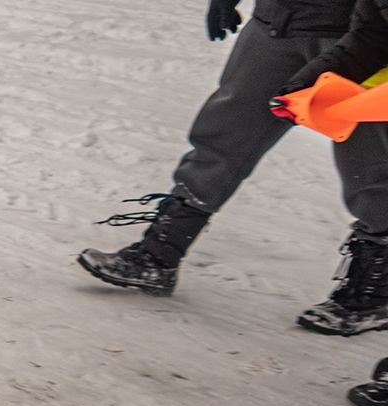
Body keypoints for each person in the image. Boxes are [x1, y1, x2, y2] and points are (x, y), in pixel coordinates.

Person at [77, 0, 388, 335]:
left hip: (365, 35)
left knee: (368, 166)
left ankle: (373, 292)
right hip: (278, 22)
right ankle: (159, 252)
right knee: (223, 134)